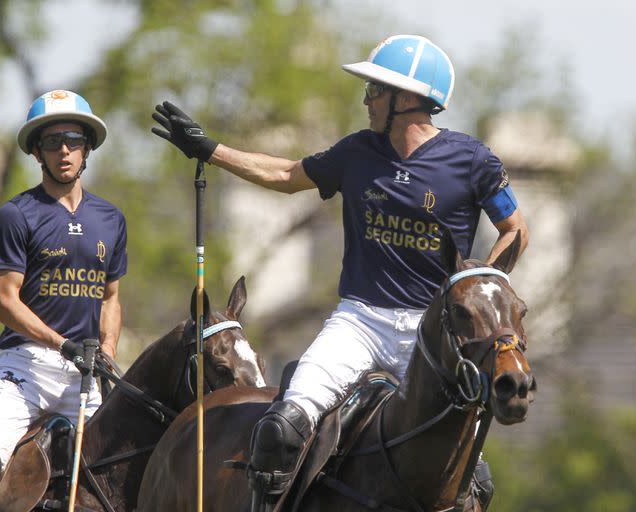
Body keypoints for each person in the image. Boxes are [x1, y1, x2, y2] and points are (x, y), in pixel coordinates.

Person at [151, 34, 528, 511]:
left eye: (375, 90)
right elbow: (287, 177)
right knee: (283, 425)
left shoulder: (472, 161)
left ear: (407, 99)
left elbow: (515, 230)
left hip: (431, 332)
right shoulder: (357, 152)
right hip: (361, 321)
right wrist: (211, 150)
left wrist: (476, 290)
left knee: (476, 478)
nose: (366, 100)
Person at [0, 90, 128, 512]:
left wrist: (109, 353)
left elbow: (111, 298)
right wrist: (62, 343)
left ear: (88, 149)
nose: (64, 150)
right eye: (52, 141)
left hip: (84, 377)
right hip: (23, 372)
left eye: (74, 140)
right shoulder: (17, 214)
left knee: (124, 480)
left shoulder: (111, 219)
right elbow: (5, 303)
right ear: (37, 153)